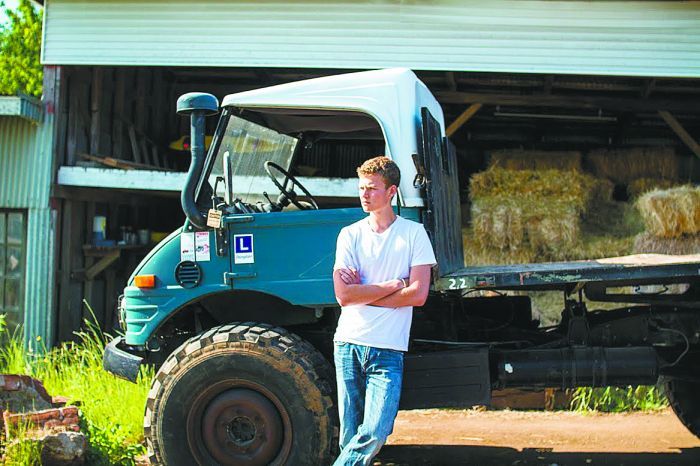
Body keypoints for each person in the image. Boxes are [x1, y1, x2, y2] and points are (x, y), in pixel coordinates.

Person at [332, 156, 437, 465]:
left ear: (391, 192)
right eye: (362, 188)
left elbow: (418, 295)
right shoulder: (349, 235)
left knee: (376, 431)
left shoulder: (414, 234)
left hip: (388, 349)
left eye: (372, 188)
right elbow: (343, 295)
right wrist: (394, 284)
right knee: (349, 436)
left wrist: (363, 294)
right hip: (349, 343)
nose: (365, 195)